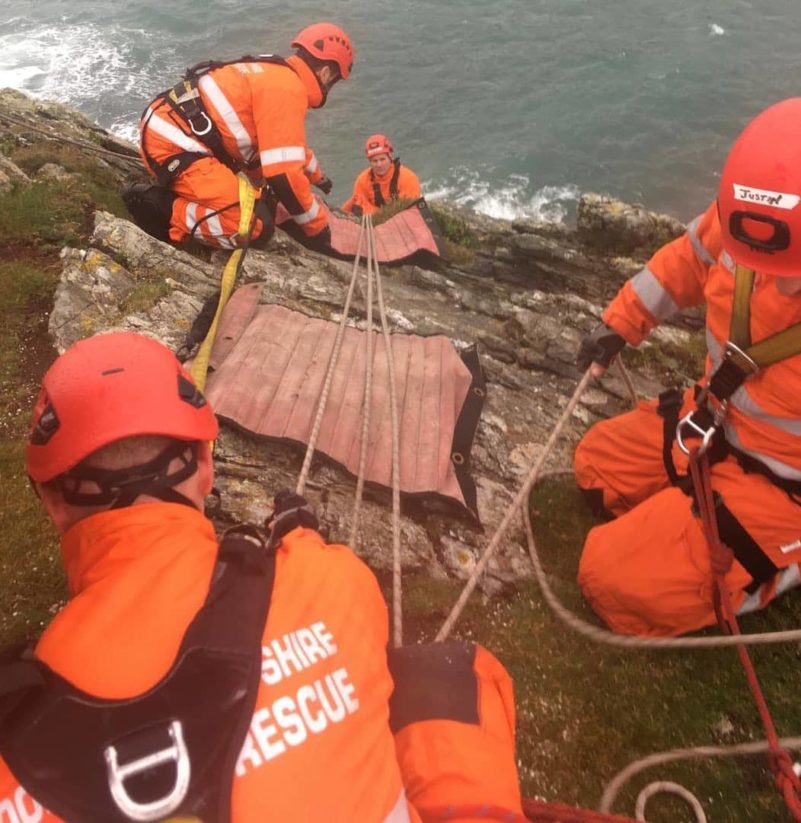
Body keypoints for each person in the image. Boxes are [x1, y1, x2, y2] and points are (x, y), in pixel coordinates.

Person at [0, 331, 522, 821]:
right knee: (448, 673)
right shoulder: (328, 577)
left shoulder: (16, 737)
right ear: (205, 462)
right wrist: (299, 541)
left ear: (52, 502)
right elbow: (337, 593)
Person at [573, 97, 801, 638]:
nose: (768, 275)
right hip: (711, 422)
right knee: (595, 467)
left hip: (780, 487)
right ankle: (684, 517)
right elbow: (689, 259)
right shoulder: (751, 218)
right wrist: (619, 325)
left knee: (609, 580)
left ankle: (781, 561)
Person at [125, 23, 351, 250]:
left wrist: (318, 178)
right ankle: (164, 209)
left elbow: (287, 147)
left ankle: (188, 198)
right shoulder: (289, 91)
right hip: (175, 146)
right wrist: (318, 229)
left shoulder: (275, 73)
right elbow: (284, 174)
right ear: (326, 73)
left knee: (262, 200)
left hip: (171, 129)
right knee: (251, 226)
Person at [342, 134, 422, 216]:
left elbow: (409, 213)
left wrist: (369, 210)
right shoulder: (362, 181)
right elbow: (354, 203)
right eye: (374, 161)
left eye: (382, 159)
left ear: (390, 156)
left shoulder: (408, 179)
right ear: (370, 162)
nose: (379, 165)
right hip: (373, 225)